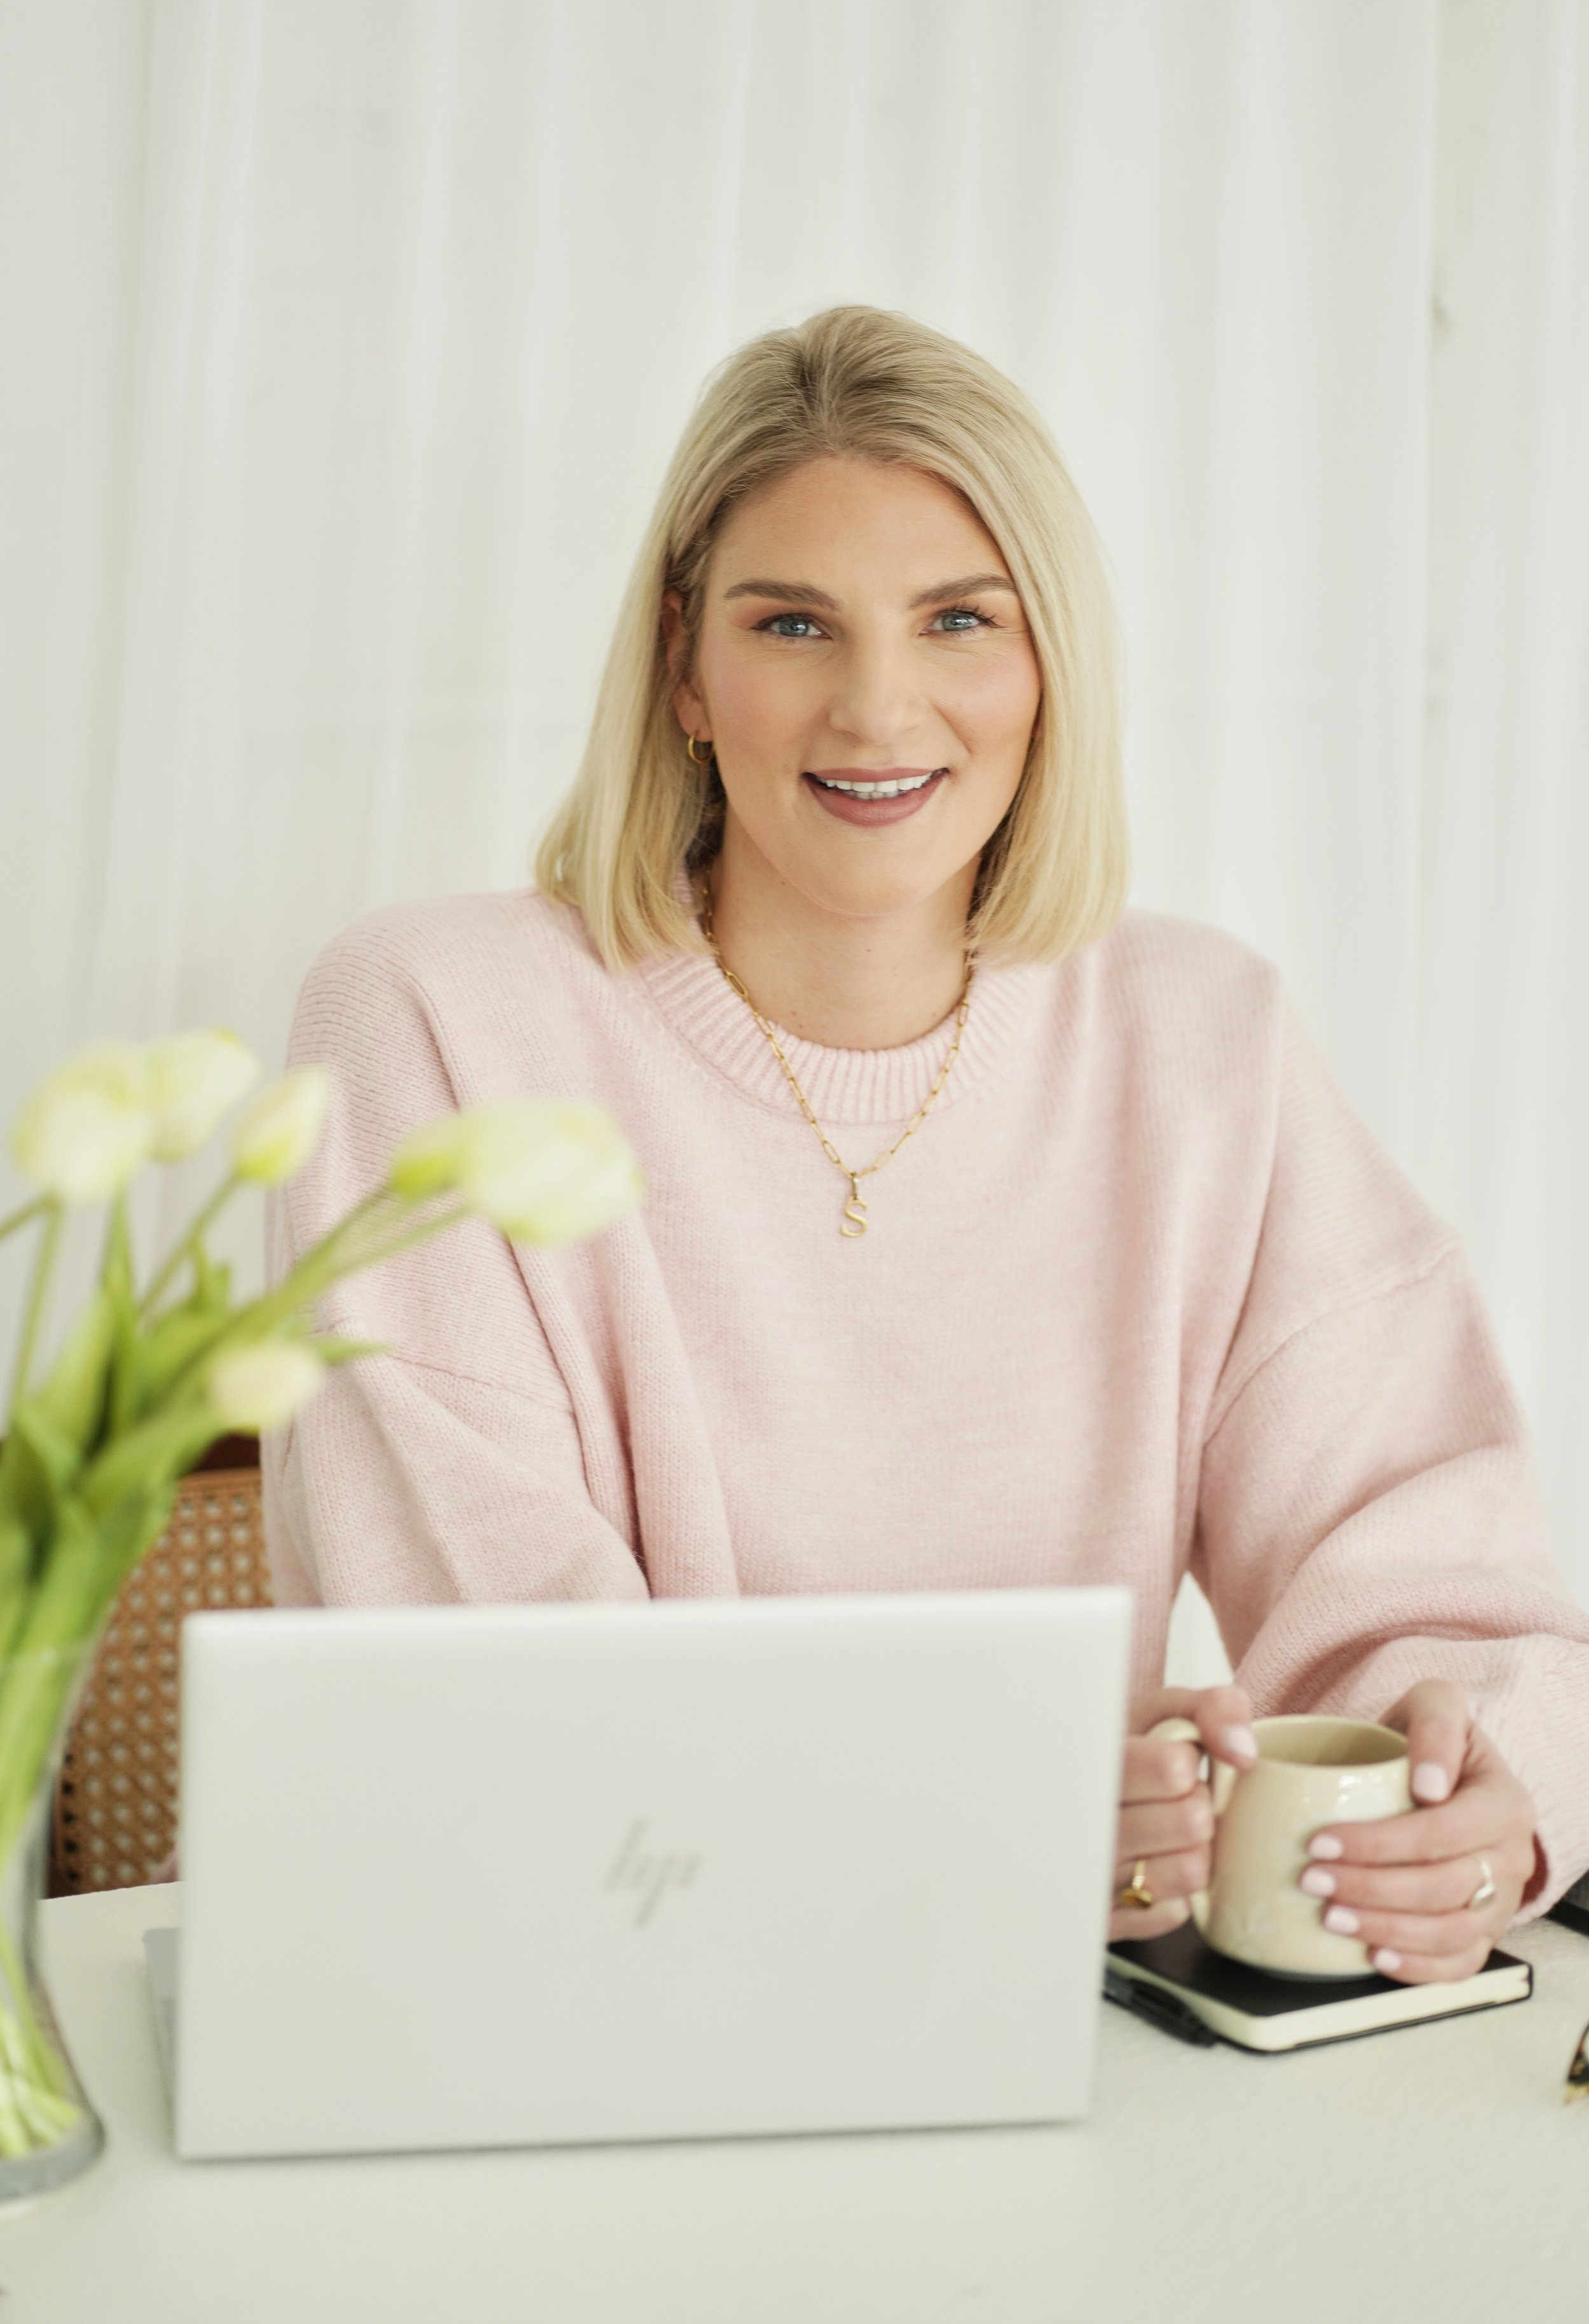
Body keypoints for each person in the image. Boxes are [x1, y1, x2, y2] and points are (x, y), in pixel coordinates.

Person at [265, 303, 1589, 1980]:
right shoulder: (430, 1022)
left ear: (1048, 668)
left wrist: (1481, 1783)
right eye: (795, 624)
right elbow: (479, 1701)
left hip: (1066, 2041)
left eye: (957, 620)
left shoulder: (1201, 1043)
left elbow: (1427, 1584)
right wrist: (974, 1820)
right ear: (683, 666)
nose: (877, 711)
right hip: (560, 1997)